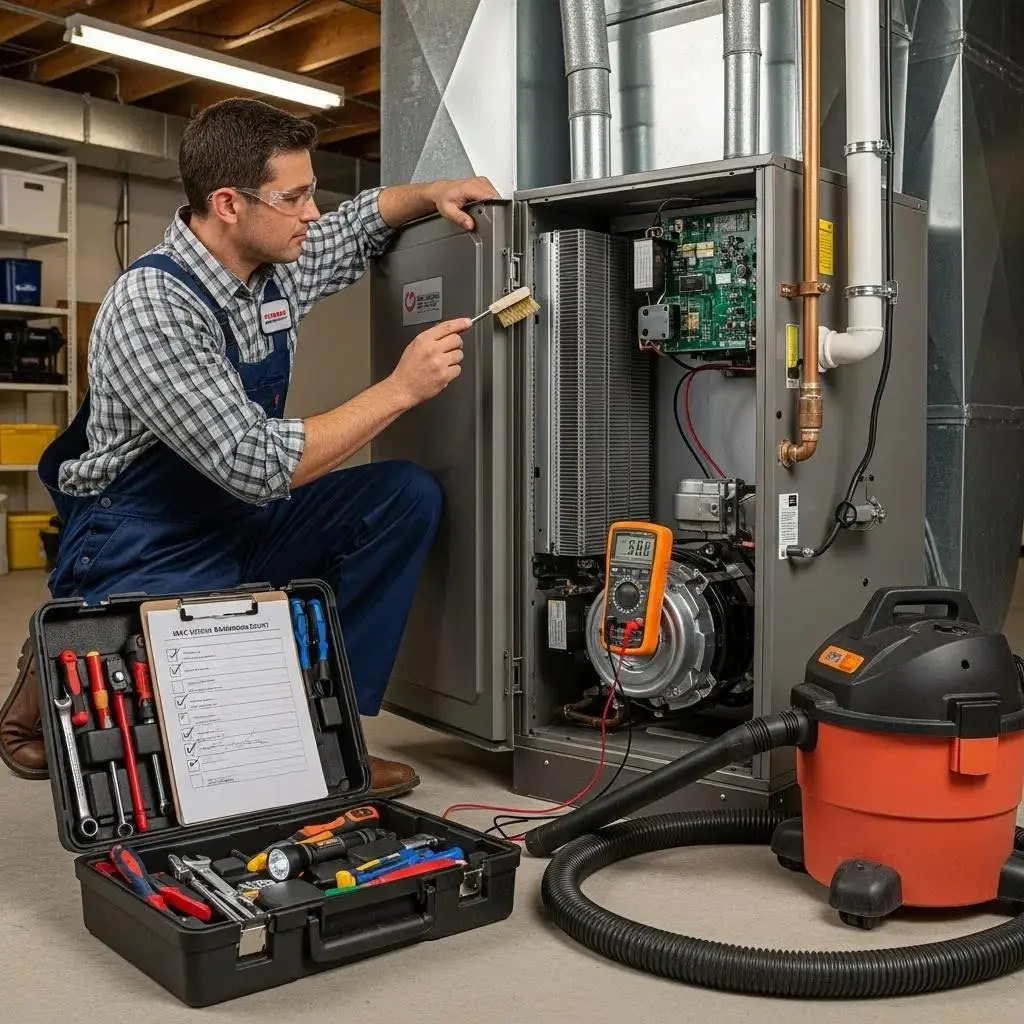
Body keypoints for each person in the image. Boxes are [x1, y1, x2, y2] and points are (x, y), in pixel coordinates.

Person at [0, 97, 499, 795]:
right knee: (187, 759)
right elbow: (255, 464)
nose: (311, 213)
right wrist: (401, 389)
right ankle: (58, 654)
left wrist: (433, 193)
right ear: (229, 203)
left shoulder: (275, 261)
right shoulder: (153, 306)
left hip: (240, 521)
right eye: (293, 197)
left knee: (401, 497)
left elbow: (358, 225)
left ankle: (326, 737)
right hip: (144, 539)